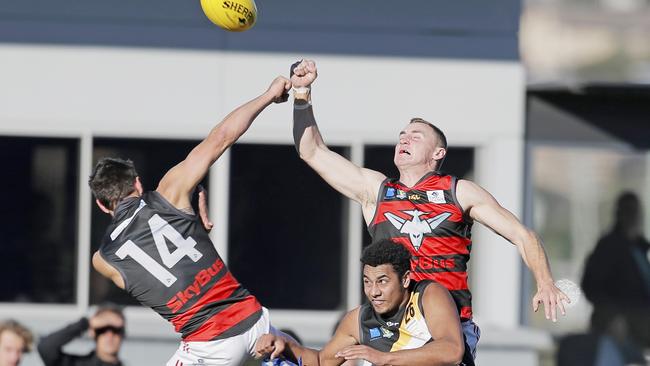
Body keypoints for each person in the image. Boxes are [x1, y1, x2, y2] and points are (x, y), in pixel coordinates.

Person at [289, 59, 568, 361]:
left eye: (415, 136)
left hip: (444, 325)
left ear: (438, 153)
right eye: (402, 136)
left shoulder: (458, 191)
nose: (404, 140)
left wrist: (545, 281)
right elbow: (312, 151)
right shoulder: (377, 191)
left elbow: (522, 235)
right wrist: (302, 95)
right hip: (391, 324)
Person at [88, 75, 292, 366]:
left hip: (210, 344)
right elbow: (221, 137)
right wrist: (268, 95)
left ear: (100, 204)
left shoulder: (103, 260)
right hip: (255, 319)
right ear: (137, 183)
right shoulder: (170, 192)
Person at [254, 239, 465, 366]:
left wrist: (383, 358)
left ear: (406, 279)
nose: (373, 292)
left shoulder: (429, 295)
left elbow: (452, 350)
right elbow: (321, 361)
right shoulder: (358, 319)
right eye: (367, 282)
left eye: (382, 281)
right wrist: (283, 344)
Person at [581, 191, 650, 349]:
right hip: (622, 318)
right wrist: (612, 316)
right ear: (620, 214)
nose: (634, 216)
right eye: (629, 210)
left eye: (635, 211)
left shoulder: (640, 248)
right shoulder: (609, 247)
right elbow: (591, 286)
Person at [38, 305, 126, 366]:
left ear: (123, 333)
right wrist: (87, 323)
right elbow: (45, 347)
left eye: (115, 330)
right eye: (102, 330)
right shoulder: (74, 364)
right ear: (92, 332)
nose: (109, 335)